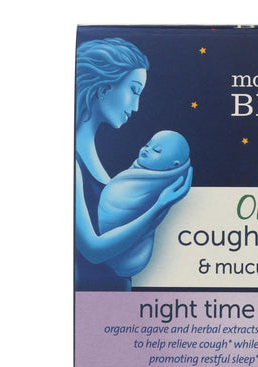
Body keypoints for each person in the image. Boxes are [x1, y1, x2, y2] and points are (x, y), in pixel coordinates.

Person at [75, 38, 192, 291]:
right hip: (93, 300)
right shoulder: (73, 164)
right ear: (104, 88)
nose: (136, 106)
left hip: (114, 299)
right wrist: (158, 209)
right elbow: (93, 251)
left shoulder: (95, 159)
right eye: (134, 90)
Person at [98, 131, 191, 277]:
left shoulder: (159, 187)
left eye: (156, 150)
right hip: (104, 244)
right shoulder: (137, 172)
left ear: (173, 165)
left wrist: (160, 205)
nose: (147, 149)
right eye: (147, 145)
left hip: (130, 256)